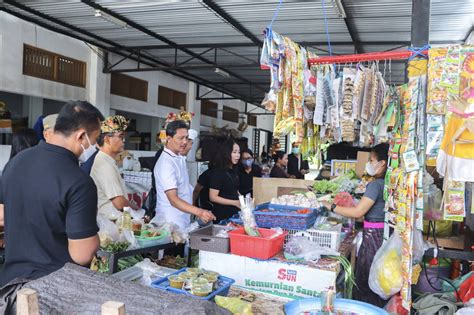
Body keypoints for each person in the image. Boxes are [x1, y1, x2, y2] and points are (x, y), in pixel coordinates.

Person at [0, 101, 104, 313]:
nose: (96, 146)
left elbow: (2, 215)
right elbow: (81, 255)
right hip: (52, 292)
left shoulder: (17, 162)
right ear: (81, 136)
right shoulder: (79, 181)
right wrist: (95, 238)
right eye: (95, 139)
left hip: (10, 286)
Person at [322, 142, 390, 307]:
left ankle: (366, 308)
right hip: (383, 234)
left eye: (372, 160)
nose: (369, 164)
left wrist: (331, 206)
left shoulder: (375, 185)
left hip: (374, 236)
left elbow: (358, 212)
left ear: (382, 163)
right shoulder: (386, 183)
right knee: (377, 276)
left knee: (367, 277)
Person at [153, 121, 215, 231]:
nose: (185, 142)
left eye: (187, 138)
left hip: (182, 218)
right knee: (174, 248)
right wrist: (200, 212)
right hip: (170, 222)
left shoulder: (178, 157)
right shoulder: (166, 163)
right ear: (169, 138)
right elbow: (173, 199)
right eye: (180, 138)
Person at [90, 115, 138, 219]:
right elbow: (119, 203)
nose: (124, 141)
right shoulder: (104, 165)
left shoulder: (108, 161)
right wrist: (137, 209)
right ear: (107, 139)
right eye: (121, 136)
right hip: (110, 223)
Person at [209, 139, 241, 223]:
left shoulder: (233, 171)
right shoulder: (218, 172)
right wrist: (234, 202)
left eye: (238, 152)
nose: (237, 155)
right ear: (226, 153)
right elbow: (213, 197)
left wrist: (243, 200)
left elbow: (235, 190)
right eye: (234, 152)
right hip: (222, 216)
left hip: (234, 214)